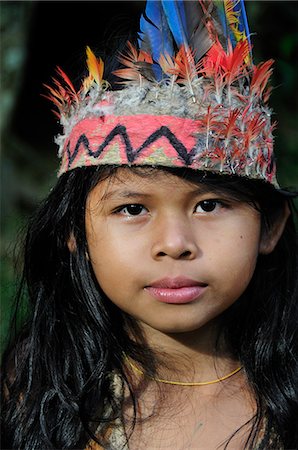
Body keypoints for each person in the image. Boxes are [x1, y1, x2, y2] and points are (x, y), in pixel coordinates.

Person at [1, 1, 297, 449]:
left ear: (270, 226)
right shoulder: (37, 383)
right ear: (73, 232)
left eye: (211, 205)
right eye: (133, 209)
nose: (175, 244)